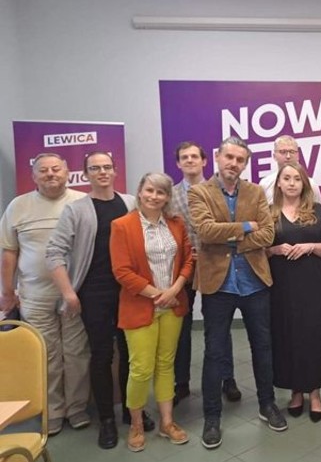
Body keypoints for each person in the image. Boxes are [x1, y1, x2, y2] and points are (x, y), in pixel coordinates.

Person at [46, 152, 154, 449]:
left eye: (107, 167)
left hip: (129, 290)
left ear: (115, 170)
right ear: (85, 174)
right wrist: (69, 292)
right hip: (94, 292)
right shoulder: (76, 209)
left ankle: (132, 411)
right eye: (95, 168)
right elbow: (54, 252)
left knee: (132, 353)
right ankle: (106, 419)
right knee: (102, 354)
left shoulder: (130, 203)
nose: (102, 172)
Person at [188, 136, 286, 450]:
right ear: (217, 156)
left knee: (263, 347)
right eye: (229, 157)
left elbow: (267, 234)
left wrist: (230, 239)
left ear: (246, 163)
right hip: (218, 285)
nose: (233, 163)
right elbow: (205, 231)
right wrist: (246, 226)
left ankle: (267, 403)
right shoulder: (199, 192)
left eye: (240, 159)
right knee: (214, 352)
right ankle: (212, 417)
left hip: (255, 282)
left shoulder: (255, 191)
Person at [0, 153, 89, 436]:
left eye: (56, 169)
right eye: (44, 170)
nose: (50, 174)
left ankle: (77, 408)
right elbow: (9, 253)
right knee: (46, 354)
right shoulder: (18, 206)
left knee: (76, 353)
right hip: (35, 296)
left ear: (67, 172)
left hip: (75, 293)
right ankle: (53, 412)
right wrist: (7, 291)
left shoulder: (83, 202)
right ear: (34, 176)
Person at [110, 172, 194, 452]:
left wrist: (175, 290)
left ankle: (167, 422)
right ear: (140, 191)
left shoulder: (176, 223)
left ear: (167, 197)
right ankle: (135, 423)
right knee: (141, 368)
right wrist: (158, 295)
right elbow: (122, 271)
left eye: (160, 192)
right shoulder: (122, 225)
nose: (154, 196)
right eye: (149, 190)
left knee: (165, 364)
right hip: (140, 306)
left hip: (173, 305)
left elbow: (188, 260)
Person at [169, 141, 240, 406]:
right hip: (182, 268)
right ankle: (181, 382)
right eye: (184, 157)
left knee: (218, 326)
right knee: (182, 326)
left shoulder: (221, 190)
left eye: (194, 156)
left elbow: (227, 225)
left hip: (216, 263)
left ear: (205, 161)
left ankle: (227, 378)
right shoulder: (170, 195)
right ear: (178, 163)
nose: (189, 160)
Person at [267, 162, 321, 423]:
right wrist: (275, 250)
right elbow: (258, 250)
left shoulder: (317, 211)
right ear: (279, 183)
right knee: (287, 336)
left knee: (313, 337)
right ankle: (296, 391)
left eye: (297, 178)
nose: (292, 183)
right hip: (280, 286)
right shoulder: (268, 213)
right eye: (287, 178)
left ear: (304, 183)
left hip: (314, 285)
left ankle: (314, 393)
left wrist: (310, 246)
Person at [259, 135, 321, 205]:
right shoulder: (265, 184)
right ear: (274, 156)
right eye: (283, 152)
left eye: (292, 152)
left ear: (298, 156)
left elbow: (318, 210)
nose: (288, 156)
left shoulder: (311, 185)